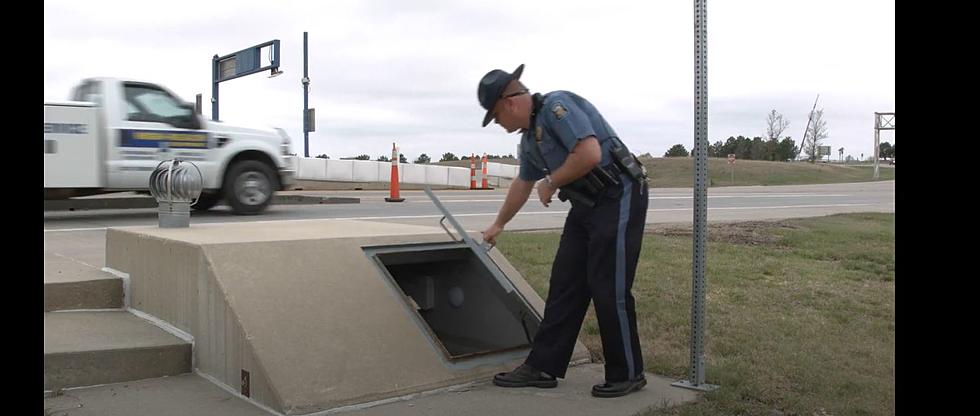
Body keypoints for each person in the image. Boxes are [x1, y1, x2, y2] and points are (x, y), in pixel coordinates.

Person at [477, 64, 650, 398]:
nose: (499, 125)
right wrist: (498, 224)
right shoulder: (529, 140)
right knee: (565, 283)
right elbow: (522, 183)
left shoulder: (558, 107)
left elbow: (589, 153)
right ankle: (542, 366)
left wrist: (553, 181)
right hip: (586, 204)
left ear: (509, 103)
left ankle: (628, 372)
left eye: (496, 117)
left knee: (607, 285)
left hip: (619, 193)